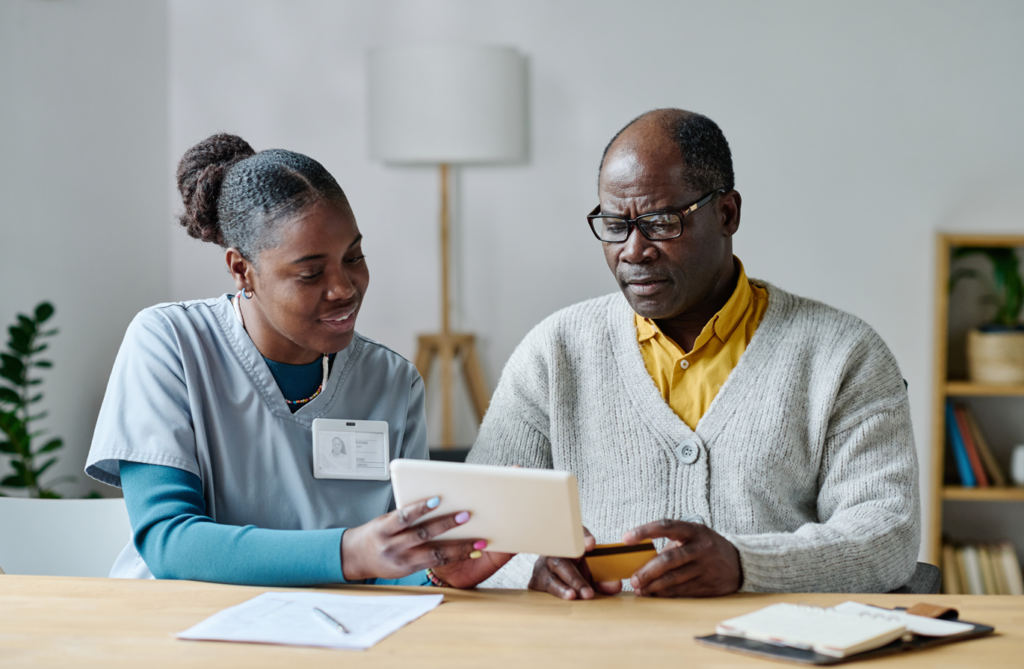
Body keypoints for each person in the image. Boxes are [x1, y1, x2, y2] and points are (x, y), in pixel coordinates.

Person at [466, 109, 921, 598]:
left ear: (727, 214)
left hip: (771, 649)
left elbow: (886, 536)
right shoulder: (554, 352)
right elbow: (471, 532)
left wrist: (748, 567)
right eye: (615, 224)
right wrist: (534, 569)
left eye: (661, 222)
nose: (633, 250)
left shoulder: (843, 355)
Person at [86, 134, 489, 587]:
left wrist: (439, 571)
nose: (344, 289)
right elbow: (169, 542)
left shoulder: (392, 380)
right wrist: (349, 553)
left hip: (335, 637)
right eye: (311, 272)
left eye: (353, 257)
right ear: (242, 269)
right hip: (182, 634)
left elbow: (397, 561)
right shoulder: (171, 343)